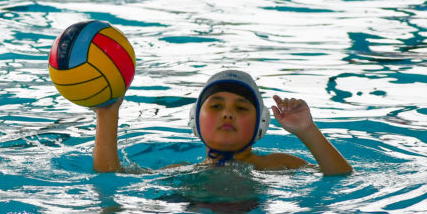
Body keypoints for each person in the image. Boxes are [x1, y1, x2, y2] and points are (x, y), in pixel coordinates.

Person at [93, 69, 351, 176]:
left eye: (241, 107)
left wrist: (306, 130)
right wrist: (107, 115)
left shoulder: (278, 165)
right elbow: (111, 177)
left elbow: (340, 176)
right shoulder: (181, 173)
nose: (227, 114)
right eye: (216, 106)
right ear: (195, 120)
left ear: (261, 123)